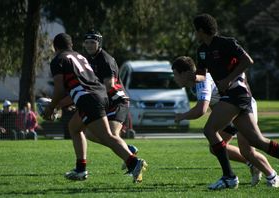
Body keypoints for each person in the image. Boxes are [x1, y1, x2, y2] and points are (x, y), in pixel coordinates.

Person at [43, 33, 147, 183]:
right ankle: (80, 169)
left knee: (107, 136)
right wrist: (62, 104)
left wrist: (50, 107)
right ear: (71, 45)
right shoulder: (80, 57)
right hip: (98, 95)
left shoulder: (59, 59)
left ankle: (133, 162)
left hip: (90, 99)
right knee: (74, 127)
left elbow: (59, 90)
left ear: (55, 47)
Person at [192, 13, 279, 189]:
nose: (194, 34)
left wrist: (229, 79)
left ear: (201, 30)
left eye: (195, 30)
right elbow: (201, 75)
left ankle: (229, 177)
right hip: (233, 97)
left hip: (238, 93)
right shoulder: (201, 51)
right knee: (256, 141)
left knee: (209, 130)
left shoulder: (226, 43)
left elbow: (248, 60)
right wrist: (188, 77)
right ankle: (230, 177)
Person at [172, 56, 278, 188]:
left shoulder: (202, 81)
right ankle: (251, 164)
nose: (174, 78)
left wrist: (182, 116)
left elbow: (201, 110)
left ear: (186, 73)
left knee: (248, 150)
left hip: (242, 108)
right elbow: (215, 103)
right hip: (228, 114)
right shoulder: (193, 84)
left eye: (175, 74)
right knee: (215, 147)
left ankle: (272, 176)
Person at [83, 29, 138, 163]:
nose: (89, 45)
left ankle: (132, 161)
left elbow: (109, 85)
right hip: (104, 102)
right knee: (89, 133)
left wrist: (91, 98)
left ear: (99, 43)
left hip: (117, 101)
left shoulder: (105, 60)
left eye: (93, 42)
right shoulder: (90, 59)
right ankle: (127, 149)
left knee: (111, 134)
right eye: (87, 42)